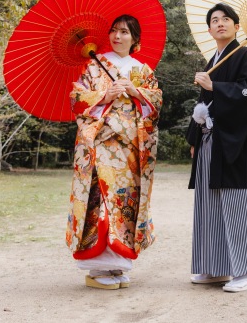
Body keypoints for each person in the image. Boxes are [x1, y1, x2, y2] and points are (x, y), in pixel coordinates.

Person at [67, 14, 162, 290]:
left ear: (135, 40)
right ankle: (97, 268)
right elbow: (76, 98)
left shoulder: (142, 71)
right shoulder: (94, 66)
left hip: (130, 149)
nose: (117, 36)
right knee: (100, 203)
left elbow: (156, 103)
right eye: (113, 31)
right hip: (100, 146)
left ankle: (119, 264)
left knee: (125, 203)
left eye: (124, 32)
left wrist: (136, 92)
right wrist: (104, 96)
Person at [186, 3, 247, 293]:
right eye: (214, 20)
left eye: (226, 19)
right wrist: (194, 139)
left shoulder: (245, 55)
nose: (220, 23)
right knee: (210, 206)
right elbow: (203, 106)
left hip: (237, 144)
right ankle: (217, 267)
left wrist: (215, 88)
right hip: (211, 143)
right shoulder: (214, 60)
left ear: (237, 27)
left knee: (239, 205)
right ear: (209, 30)